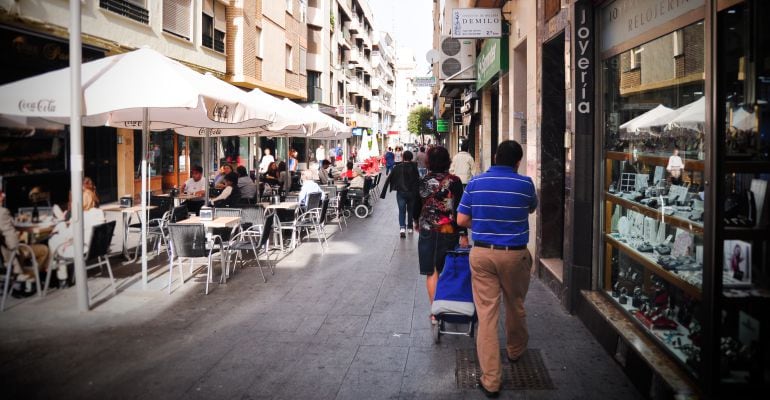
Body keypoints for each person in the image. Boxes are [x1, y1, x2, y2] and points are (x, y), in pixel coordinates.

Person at [456, 140, 537, 398]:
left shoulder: (476, 183)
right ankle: (515, 350)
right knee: (515, 304)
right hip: (515, 255)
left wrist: (481, 222)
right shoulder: (525, 183)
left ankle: (491, 380)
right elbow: (530, 208)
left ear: (494, 157)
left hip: (481, 254)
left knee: (487, 315)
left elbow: (461, 219)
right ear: (517, 162)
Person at [413, 146, 466, 325]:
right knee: (448, 269)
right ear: (448, 161)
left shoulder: (422, 180)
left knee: (432, 271)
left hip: (427, 230)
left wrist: (415, 221)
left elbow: (415, 206)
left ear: (428, 162)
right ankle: (449, 307)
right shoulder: (455, 181)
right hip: (449, 231)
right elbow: (460, 208)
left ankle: (435, 313)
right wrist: (463, 233)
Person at [47, 189, 105, 288]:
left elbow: (68, 235)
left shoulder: (80, 216)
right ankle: (57, 271)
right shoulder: (99, 212)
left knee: (54, 241)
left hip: (82, 248)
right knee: (59, 242)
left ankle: (60, 276)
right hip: (95, 248)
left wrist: (59, 229)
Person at [0, 190, 49, 293]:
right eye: (0, 193)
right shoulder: (2, 212)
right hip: (10, 256)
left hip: (3, 253)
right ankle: (32, 278)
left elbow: (6, 227)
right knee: (44, 249)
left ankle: (27, 279)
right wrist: (17, 249)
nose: (4, 195)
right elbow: (12, 242)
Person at [380, 150, 419, 238]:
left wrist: (383, 193)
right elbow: (417, 180)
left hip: (401, 192)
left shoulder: (397, 167)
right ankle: (410, 228)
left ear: (403, 157)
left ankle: (402, 228)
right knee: (410, 210)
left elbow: (389, 179)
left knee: (402, 211)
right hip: (412, 193)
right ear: (411, 158)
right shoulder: (414, 167)